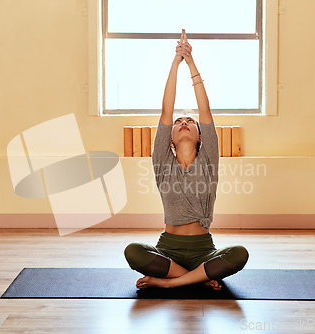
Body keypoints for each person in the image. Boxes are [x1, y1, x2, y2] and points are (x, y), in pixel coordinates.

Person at [124, 29, 249, 290]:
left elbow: (205, 110)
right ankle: (198, 279)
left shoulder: (209, 160)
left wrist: (190, 62)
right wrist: (175, 61)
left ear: (201, 137)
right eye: (178, 122)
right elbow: (166, 110)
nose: (183, 122)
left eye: (189, 121)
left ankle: (170, 283)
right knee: (133, 251)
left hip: (204, 250)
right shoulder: (162, 162)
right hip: (167, 249)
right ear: (169, 138)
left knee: (240, 253)